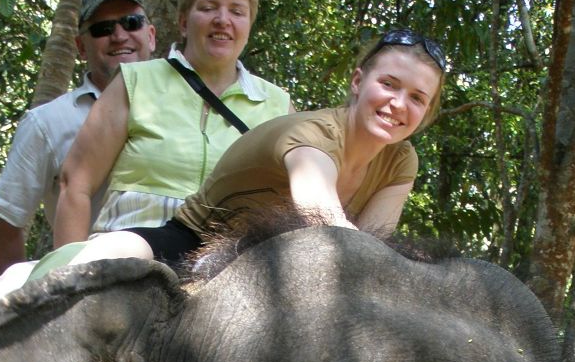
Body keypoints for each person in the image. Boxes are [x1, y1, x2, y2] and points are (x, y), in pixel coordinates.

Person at [61, 28, 446, 270]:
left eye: (416, 97)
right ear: (358, 81)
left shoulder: (401, 160)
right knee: (107, 262)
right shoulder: (316, 137)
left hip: (274, 261)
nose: (398, 104)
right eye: (389, 84)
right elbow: (328, 225)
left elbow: (373, 245)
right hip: (196, 240)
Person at [48, 0, 291, 261]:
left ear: (249, 25)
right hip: (127, 257)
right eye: (208, 7)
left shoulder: (277, 105)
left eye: (237, 11)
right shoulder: (135, 81)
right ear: (182, 21)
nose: (222, 19)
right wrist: (66, 276)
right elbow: (76, 184)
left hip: (230, 266)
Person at [0, 0, 156, 278]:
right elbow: (7, 219)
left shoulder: (189, 106)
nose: (118, 35)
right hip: (95, 291)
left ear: (150, 36)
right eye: (102, 29)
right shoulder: (47, 122)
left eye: (132, 22)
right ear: (80, 47)